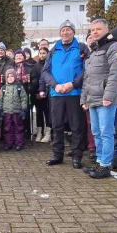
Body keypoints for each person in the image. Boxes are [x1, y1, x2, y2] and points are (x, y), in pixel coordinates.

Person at [79, 20, 117, 179]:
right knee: (96, 131)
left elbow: (116, 74)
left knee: (106, 132)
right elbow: (87, 77)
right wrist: (84, 98)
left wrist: (109, 96)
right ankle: (99, 160)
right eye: (92, 30)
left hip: (105, 98)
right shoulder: (94, 49)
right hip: (92, 98)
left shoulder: (114, 47)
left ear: (107, 29)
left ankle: (105, 164)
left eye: (98, 29)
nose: (95, 32)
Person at [42, 20, 90, 169]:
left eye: (68, 30)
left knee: (76, 126)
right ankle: (57, 155)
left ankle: (77, 156)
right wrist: (56, 85)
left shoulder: (81, 48)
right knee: (57, 125)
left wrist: (73, 83)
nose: (65, 33)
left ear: (73, 32)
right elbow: (45, 71)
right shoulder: (53, 50)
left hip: (74, 92)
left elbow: (87, 69)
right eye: (63, 30)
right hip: (57, 94)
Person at [0, 69, 29, 151]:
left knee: (18, 128)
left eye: (12, 76)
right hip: (6, 112)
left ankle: (19, 143)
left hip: (17, 112)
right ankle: (8, 143)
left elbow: (24, 99)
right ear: (5, 78)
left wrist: (24, 109)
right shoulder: (3, 88)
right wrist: (0, 110)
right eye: (8, 77)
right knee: (7, 128)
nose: (10, 78)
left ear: (15, 77)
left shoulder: (19, 87)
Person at [31, 47, 51, 143]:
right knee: (39, 113)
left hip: (49, 94)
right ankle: (39, 132)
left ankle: (48, 133)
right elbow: (34, 80)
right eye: (40, 53)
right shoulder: (35, 66)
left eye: (44, 53)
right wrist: (36, 93)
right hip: (38, 94)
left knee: (48, 113)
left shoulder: (51, 65)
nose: (42, 55)